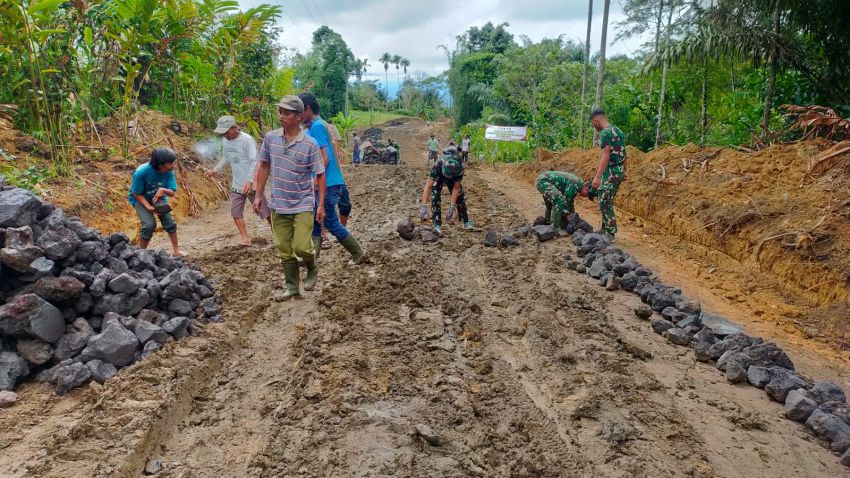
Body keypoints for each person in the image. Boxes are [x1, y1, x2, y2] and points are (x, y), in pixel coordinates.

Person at [254, 95, 326, 301]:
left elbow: (320, 175)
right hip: (278, 203)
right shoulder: (271, 138)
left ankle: (312, 267)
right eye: (280, 112)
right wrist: (258, 196)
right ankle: (292, 287)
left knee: (301, 246)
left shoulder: (310, 144)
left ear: (298, 116)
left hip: (303, 203)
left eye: (286, 113)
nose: (281, 116)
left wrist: (320, 205)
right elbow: (264, 165)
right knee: (284, 249)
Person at [298, 92, 366, 265]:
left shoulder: (317, 127)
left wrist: (315, 181)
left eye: (300, 110)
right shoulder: (320, 125)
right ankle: (312, 256)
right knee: (316, 219)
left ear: (307, 109)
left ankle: (358, 252)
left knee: (330, 222)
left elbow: (325, 157)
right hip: (330, 181)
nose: (298, 115)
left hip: (327, 183)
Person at [205, 115, 270, 247]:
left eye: (226, 132)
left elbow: (254, 161)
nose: (225, 135)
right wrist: (214, 170)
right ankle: (245, 238)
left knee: (264, 211)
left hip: (252, 183)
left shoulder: (247, 140)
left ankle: (277, 232)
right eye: (222, 133)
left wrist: (250, 180)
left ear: (234, 128)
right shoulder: (226, 141)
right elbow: (225, 158)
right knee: (236, 212)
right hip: (237, 183)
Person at [128, 147, 183, 256]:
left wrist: (162, 190)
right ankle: (140, 254)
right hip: (140, 198)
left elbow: (172, 192)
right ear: (160, 164)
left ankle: (177, 251)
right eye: (170, 163)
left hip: (157, 197)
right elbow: (136, 193)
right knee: (149, 225)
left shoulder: (169, 171)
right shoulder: (141, 172)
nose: (173, 165)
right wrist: (148, 207)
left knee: (170, 223)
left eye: (173, 162)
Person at [590, 106, 629, 242]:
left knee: (605, 201)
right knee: (603, 196)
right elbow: (624, 152)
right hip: (618, 170)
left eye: (593, 124)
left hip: (611, 171)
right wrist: (625, 170)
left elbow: (605, 156)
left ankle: (610, 233)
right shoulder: (617, 130)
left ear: (596, 121)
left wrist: (597, 176)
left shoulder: (605, 134)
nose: (594, 127)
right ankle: (604, 228)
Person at [419, 147, 473, 235]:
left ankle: (466, 221)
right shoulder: (438, 165)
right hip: (439, 176)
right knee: (435, 197)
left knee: (460, 197)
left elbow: (456, 188)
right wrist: (423, 206)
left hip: (453, 177)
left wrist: (452, 206)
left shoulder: (460, 168)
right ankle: (437, 225)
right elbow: (428, 186)